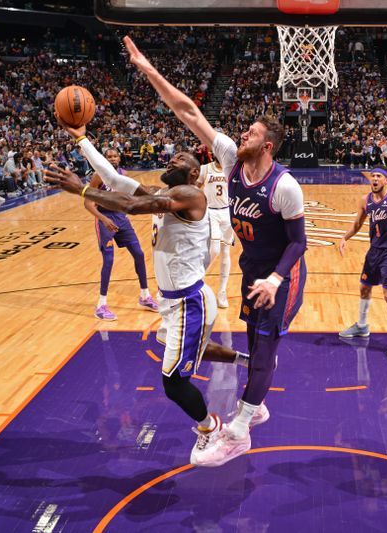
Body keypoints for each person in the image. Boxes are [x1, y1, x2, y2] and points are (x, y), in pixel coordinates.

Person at [124, 36, 306, 466]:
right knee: (251, 339)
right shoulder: (229, 159)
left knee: (264, 350)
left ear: (267, 147)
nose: (241, 134)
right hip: (251, 269)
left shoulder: (285, 187)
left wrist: (276, 278)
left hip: (281, 275)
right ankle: (255, 405)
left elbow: (298, 242)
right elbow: (188, 111)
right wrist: (149, 70)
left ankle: (239, 431)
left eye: (251, 134)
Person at [44, 149, 250, 467]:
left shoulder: (188, 194)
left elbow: (130, 206)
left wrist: (82, 189)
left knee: (173, 382)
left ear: (194, 174)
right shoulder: (167, 195)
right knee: (173, 344)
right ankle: (247, 360)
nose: (172, 159)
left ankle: (212, 428)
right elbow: (114, 180)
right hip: (175, 301)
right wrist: (82, 138)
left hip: (188, 301)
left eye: (181, 159)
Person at [337, 167, 387, 358]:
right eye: (372, 176)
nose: (374, 179)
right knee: (364, 288)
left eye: (378, 176)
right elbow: (357, 224)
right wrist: (344, 237)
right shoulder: (366, 201)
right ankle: (362, 326)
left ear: (386, 181)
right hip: (373, 251)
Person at [83, 148, 158, 319]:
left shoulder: (123, 174)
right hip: (105, 219)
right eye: (109, 156)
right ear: (104, 159)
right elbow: (88, 203)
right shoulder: (98, 176)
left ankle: (145, 296)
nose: (112, 159)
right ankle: (101, 306)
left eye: (115, 156)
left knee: (139, 254)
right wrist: (104, 220)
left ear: (119, 158)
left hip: (121, 218)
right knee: (108, 260)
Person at [196, 153, 233, 308]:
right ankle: (196, 280)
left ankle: (222, 292)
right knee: (215, 249)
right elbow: (195, 187)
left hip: (228, 212)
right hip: (211, 211)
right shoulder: (205, 169)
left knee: (226, 252)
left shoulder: (231, 169)